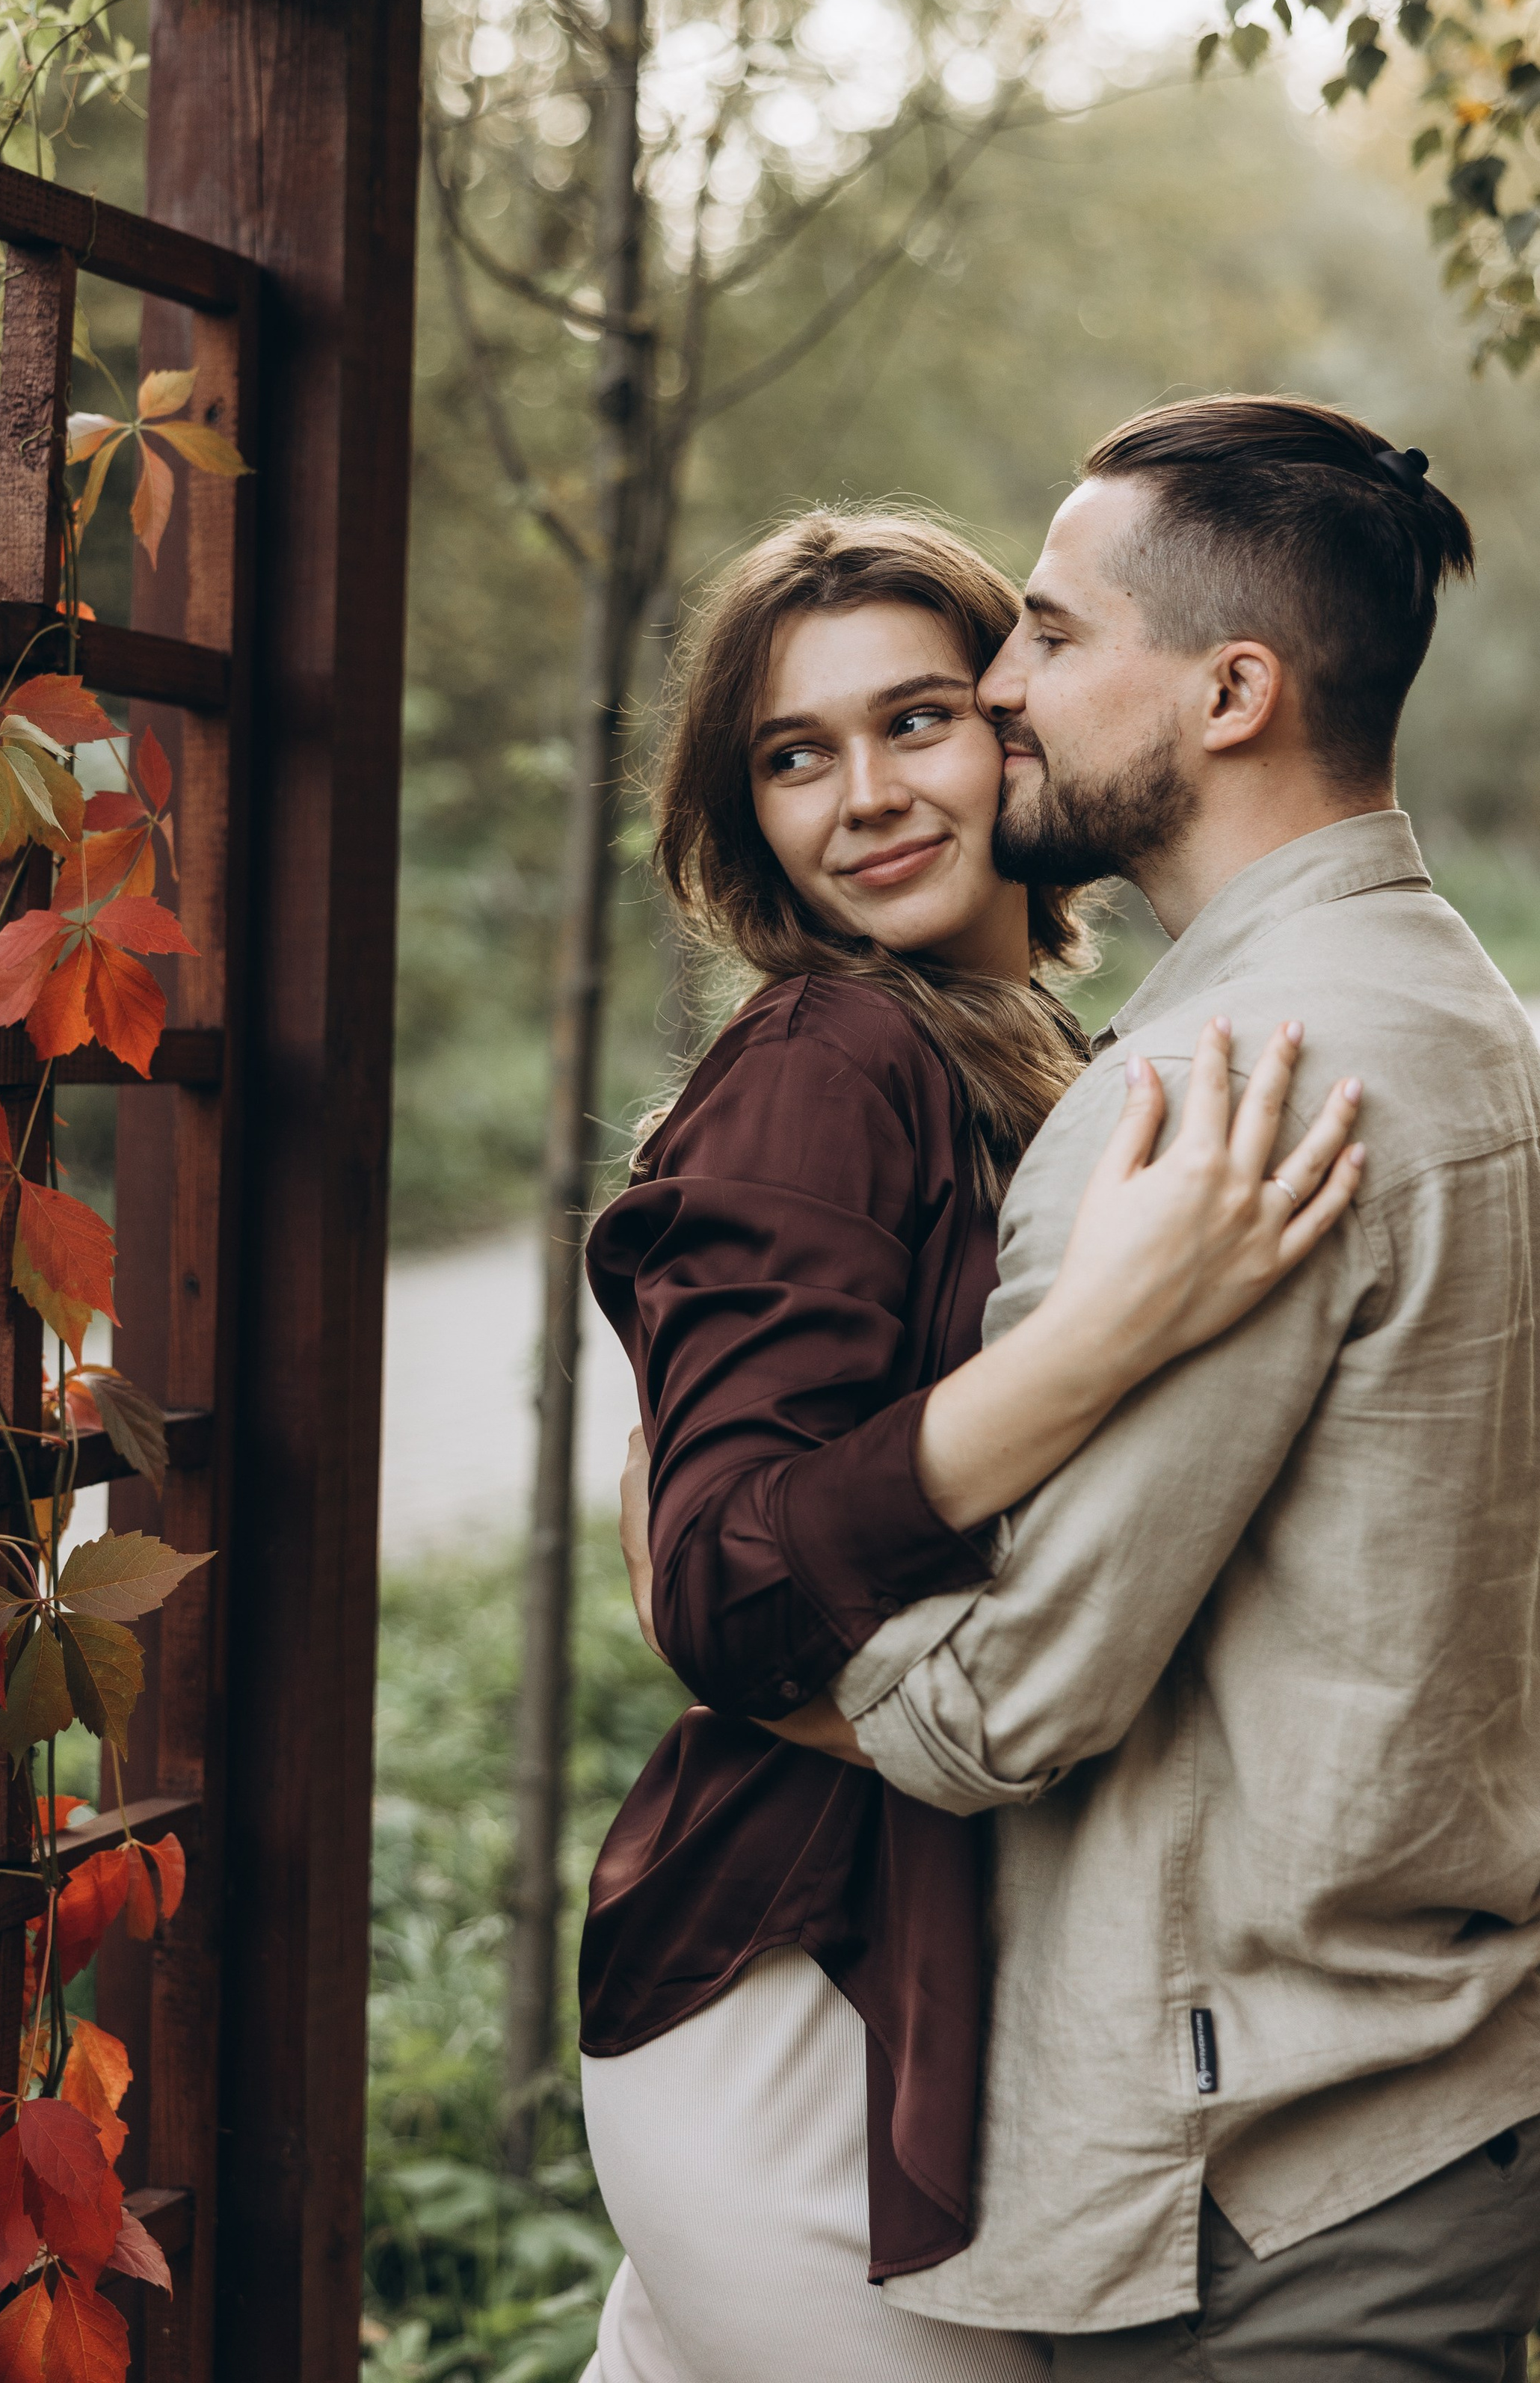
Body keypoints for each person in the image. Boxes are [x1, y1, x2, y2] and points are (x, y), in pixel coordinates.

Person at [779, 396, 1540, 2379]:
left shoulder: (1223, 1098)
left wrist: (744, 1608)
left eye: (1048, 631)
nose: (1001, 687)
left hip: (1276, 2179)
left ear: (1230, 690)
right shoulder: (1478, 1023)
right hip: (1425, 2099)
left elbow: (1010, 1700)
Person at [575, 507, 1365, 2383]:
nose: (861, 797)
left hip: (910, 1980)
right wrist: (1096, 1344)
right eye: (791, 755)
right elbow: (716, 1575)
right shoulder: (826, 1054)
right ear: (742, 812)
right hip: (791, 2005)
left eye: (913, 720)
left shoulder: (1023, 1045)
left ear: (1019, 723)